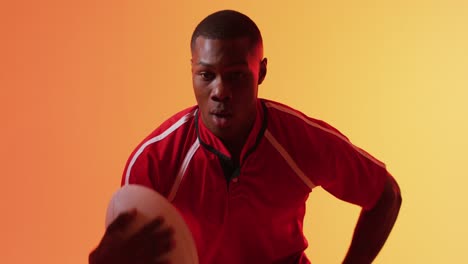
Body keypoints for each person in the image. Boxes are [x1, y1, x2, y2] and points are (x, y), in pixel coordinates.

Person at [89, 9, 402, 264]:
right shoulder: (153, 161)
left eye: (236, 75)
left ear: (261, 72)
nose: (220, 92)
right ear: (192, 71)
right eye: (206, 75)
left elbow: (385, 194)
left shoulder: (300, 139)